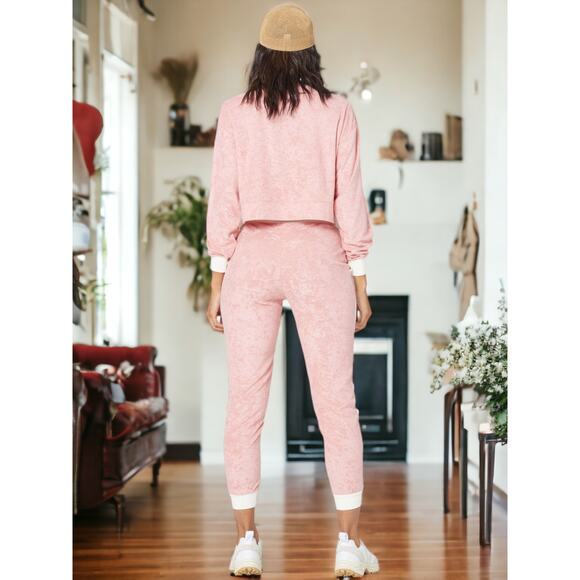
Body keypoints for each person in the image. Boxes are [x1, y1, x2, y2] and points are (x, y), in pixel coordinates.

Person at [206, 4, 379, 577]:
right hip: (318, 255)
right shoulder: (337, 110)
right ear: (311, 55)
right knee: (337, 403)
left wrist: (217, 280)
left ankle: (246, 541)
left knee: (244, 404)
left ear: (261, 54)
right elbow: (349, 199)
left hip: (252, 256)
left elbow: (224, 200)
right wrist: (359, 280)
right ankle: (348, 544)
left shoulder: (235, 112)